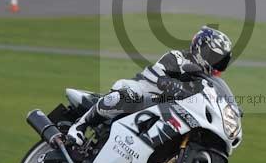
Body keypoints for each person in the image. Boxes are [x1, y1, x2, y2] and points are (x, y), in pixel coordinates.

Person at [66, 26, 233, 147]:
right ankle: (80, 126)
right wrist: (171, 84)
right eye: (214, 57)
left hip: (168, 109)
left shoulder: (205, 80)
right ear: (200, 48)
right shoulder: (178, 57)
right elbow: (155, 74)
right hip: (144, 93)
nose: (217, 64)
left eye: (221, 61)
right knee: (131, 96)